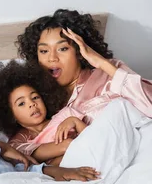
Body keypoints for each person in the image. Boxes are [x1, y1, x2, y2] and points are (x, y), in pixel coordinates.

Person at [17, 9, 152, 121]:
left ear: (80, 51)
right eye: (44, 51)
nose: (52, 58)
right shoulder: (34, 99)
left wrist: (101, 62)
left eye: (62, 49)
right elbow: (23, 144)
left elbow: (149, 105)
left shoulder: (109, 72)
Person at [0, 61, 88, 164]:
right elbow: (64, 146)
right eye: (21, 103)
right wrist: (68, 145)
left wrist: (75, 122)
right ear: (9, 114)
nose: (32, 104)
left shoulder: (66, 114)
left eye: (35, 97)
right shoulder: (17, 143)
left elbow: (95, 139)